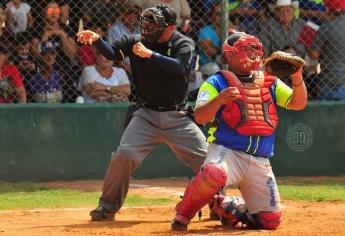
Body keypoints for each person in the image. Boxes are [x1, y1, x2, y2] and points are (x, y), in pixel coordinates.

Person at [76, 5, 208, 221]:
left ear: (171, 27)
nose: (148, 27)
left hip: (178, 116)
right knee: (123, 156)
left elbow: (180, 68)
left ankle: (218, 203)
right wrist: (97, 39)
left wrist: (151, 55)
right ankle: (108, 207)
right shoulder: (135, 40)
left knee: (207, 162)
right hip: (145, 115)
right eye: (147, 22)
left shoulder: (183, 43)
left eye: (154, 23)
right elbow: (111, 52)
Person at [171, 31, 308, 231]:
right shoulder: (216, 82)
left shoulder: (269, 81)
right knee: (214, 173)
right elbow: (200, 117)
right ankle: (183, 213)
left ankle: (225, 205)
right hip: (227, 152)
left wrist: (297, 77)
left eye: (254, 49)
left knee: (270, 221)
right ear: (229, 55)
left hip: (260, 159)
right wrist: (219, 100)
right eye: (245, 49)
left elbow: (298, 104)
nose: (252, 54)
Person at [308, 0, 345, 100]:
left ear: (328, 10)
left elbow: (313, 55)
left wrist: (307, 42)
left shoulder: (325, 27)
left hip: (327, 82)